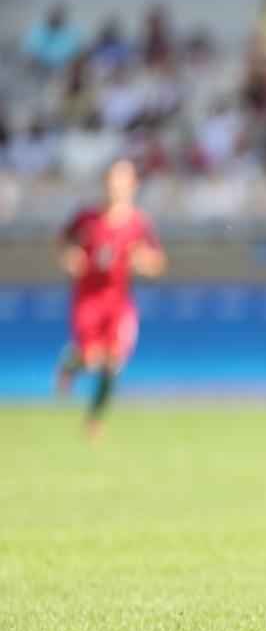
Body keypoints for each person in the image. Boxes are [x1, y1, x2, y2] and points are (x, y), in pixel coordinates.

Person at [56, 159, 166, 438]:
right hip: (87, 300)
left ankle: (94, 419)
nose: (116, 186)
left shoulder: (138, 224)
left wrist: (145, 262)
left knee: (113, 361)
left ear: (133, 186)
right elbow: (65, 243)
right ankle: (71, 364)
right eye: (112, 179)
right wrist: (70, 257)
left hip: (118, 302)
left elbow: (157, 261)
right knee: (93, 358)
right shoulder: (86, 218)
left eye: (123, 180)